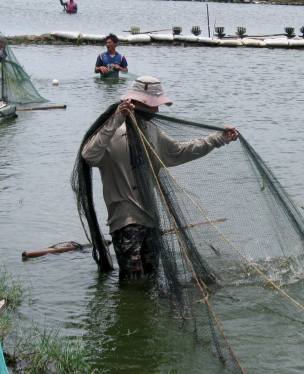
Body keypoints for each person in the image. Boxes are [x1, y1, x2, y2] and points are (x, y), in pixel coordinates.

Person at [81, 76, 239, 280]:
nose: (157, 111)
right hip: (125, 219)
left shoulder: (152, 130)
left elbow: (178, 152)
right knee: (131, 279)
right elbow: (89, 155)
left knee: (152, 276)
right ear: (139, 103)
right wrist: (116, 119)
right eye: (153, 105)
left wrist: (218, 138)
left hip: (151, 217)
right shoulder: (110, 131)